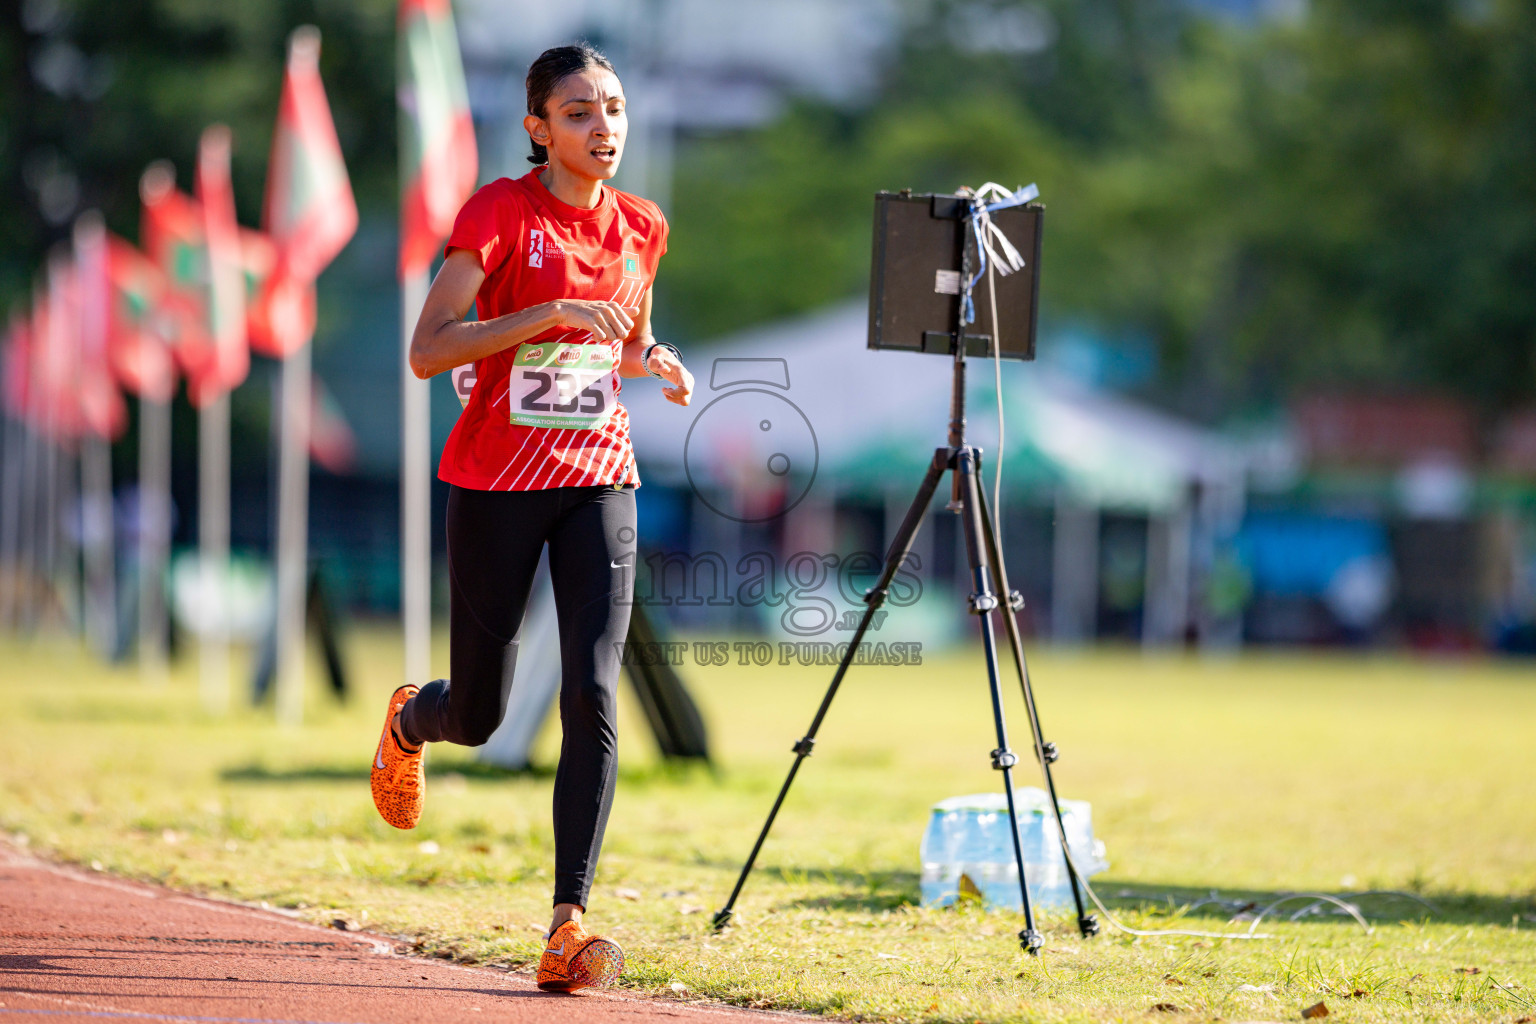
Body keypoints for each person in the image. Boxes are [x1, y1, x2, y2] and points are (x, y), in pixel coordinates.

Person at [369, 42, 693, 993]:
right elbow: (431, 350)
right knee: (480, 712)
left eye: (616, 110)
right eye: (582, 112)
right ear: (538, 128)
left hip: (599, 475)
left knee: (593, 688)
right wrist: (540, 311)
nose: (605, 129)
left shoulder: (642, 224)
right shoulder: (500, 214)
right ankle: (411, 718)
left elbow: (622, 342)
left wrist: (657, 360)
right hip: (495, 482)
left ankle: (566, 925)